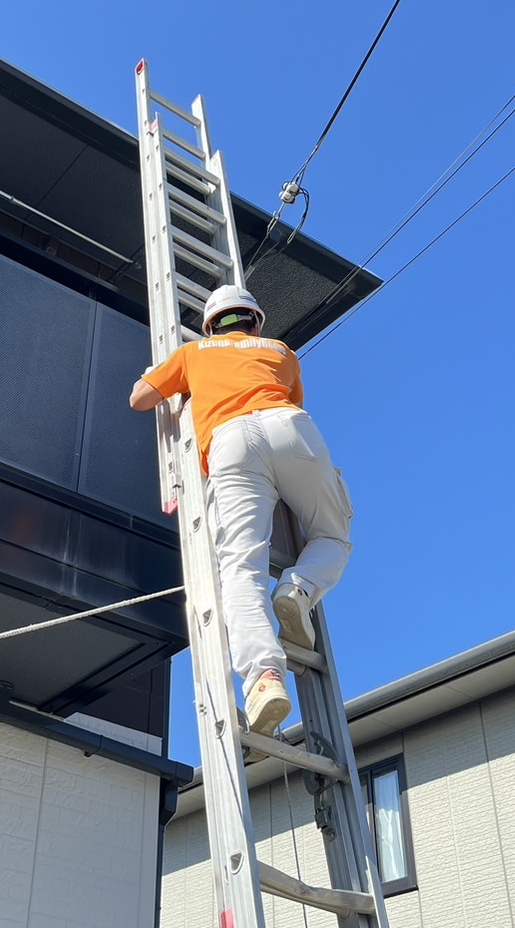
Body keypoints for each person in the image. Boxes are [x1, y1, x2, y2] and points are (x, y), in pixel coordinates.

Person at [129, 284, 352, 735]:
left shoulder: (194, 353)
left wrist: (156, 374)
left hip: (230, 444)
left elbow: (140, 399)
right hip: (291, 429)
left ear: (211, 325)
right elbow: (289, 400)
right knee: (332, 535)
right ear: (255, 320)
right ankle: (299, 589)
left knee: (240, 569)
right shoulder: (281, 351)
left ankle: (264, 678)